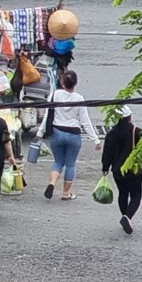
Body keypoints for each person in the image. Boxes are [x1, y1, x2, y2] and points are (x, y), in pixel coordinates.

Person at [42, 70, 103, 200]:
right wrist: (95, 139)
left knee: (58, 162)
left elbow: (48, 114)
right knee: (70, 164)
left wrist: (40, 132)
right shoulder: (79, 99)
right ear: (75, 83)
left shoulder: (55, 94)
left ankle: (52, 183)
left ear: (63, 82)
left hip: (57, 131)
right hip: (73, 134)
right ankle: (65, 193)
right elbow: (85, 121)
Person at [101, 110, 142, 235]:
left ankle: (124, 216)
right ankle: (127, 217)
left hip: (117, 170)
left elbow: (107, 152)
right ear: (129, 117)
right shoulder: (137, 131)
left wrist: (105, 167)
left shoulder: (111, 134)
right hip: (134, 169)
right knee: (136, 195)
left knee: (123, 193)